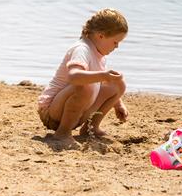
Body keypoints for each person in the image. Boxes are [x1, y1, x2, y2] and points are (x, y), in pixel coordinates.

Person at [37, 8, 129, 146]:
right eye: (115, 42)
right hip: (52, 112)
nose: (117, 47)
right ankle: (62, 133)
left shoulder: (99, 54)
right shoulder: (82, 49)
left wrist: (118, 104)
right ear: (101, 36)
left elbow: (102, 82)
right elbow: (74, 77)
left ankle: (91, 128)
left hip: (75, 112)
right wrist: (103, 75)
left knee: (118, 83)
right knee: (87, 84)